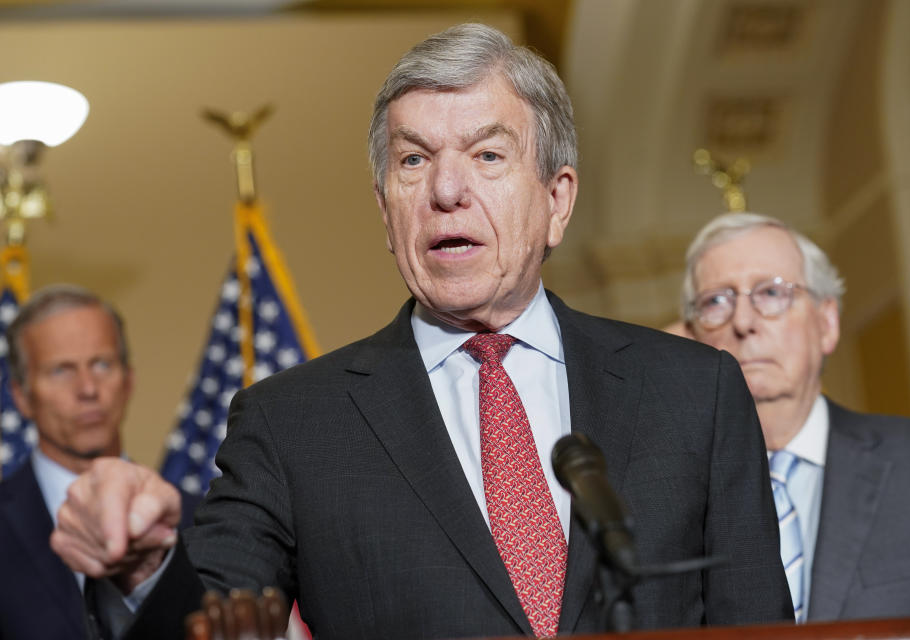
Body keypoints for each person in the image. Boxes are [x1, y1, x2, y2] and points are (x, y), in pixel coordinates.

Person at [52, 24, 792, 639]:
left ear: (557, 201)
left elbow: (756, 622)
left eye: (488, 155)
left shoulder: (695, 390)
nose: (445, 191)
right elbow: (213, 622)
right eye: (414, 160)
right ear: (386, 210)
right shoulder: (291, 423)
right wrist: (144, 570)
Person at [682, 211, 910, 622]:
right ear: (691, 336)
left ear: (827, 323)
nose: (743, 323)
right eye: (715, 301)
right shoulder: (658, 494)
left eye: (772, 293)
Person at [0, 285, 135, 639]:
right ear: (21, 396)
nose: (88, 388)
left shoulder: (201, 519)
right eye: (61, 370)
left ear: (129, 380)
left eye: (102, 364)